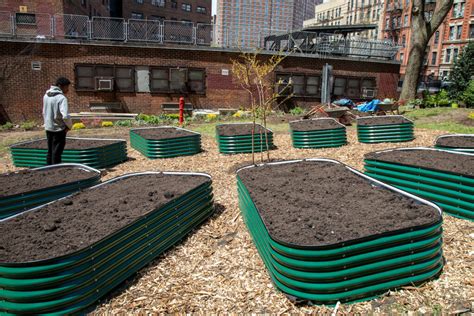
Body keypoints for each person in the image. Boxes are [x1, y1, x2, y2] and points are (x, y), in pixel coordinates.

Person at [42, 77, 72, 165]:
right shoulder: (61, 98)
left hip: (49, 127)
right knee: (57, 152)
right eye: (66, 87)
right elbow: (65, 116)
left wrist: (46, 124)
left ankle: (48, 168)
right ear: (60, 86)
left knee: (50, 150)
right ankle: (56, 170)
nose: (67, 89)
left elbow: (44, 112)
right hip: (59, 129)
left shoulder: (46, 96)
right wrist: (69, 126)